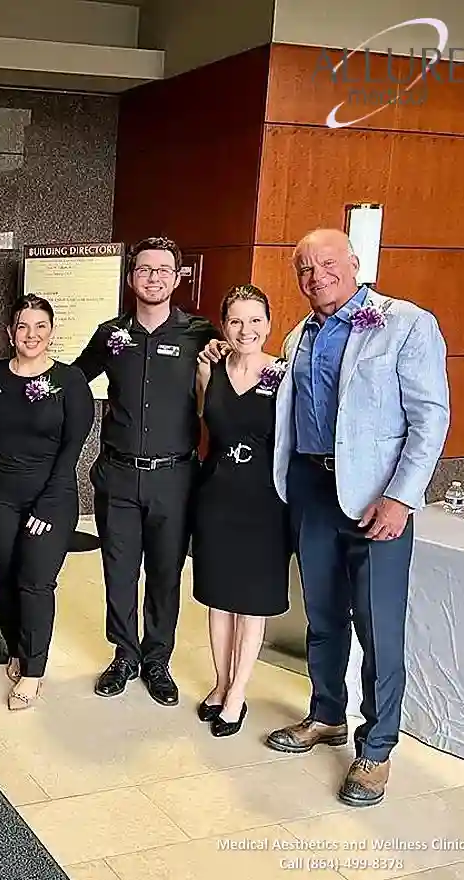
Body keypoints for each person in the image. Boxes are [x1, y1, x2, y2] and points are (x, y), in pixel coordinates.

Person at [265, 228, 448, 806]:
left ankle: (377, 747)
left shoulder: (406, 323)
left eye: (326, 264)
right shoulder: (300, 335)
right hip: (314, 492)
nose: (315, 276)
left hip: (377, 500)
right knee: (321, 616)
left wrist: (402, 498)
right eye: (303, 268)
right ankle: (325, 715)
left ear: (355, 264)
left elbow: (431, 418)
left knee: (378, 628)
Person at [73, 236, 219, 706]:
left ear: (178, 277)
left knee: (164, 572)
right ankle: (124, 654)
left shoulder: (201, 335)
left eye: (163, 270)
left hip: (174, 477)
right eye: (144, 269)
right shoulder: (110, 334)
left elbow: (239, 383)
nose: (153, 277)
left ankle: (157, 659)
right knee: (118, 570)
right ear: (131, 276)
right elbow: (73, 383)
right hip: (117, 473)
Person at [0, 295, 92, 710]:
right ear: (10, 332)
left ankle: (33, 672)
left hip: (51, 496)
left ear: (51, 332)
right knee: (5, 575)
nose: (31, 335)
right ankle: (16, 647)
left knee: (35, 581)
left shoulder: (70, 382)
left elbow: (72, 449)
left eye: (41, 326)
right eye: (23, 326)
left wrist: (47, 504)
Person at [191, 285, 290, 738]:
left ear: (269, 325)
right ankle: (219, 681)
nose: (245, 330)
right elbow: (202, 423)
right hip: (216, 495)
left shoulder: (285, 375)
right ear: (223, 324)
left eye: (254, 321)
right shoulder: (210, 367)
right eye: (235, 321)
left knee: (250, 602)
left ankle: (238, 694)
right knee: (218, 595)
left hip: (266, 501)